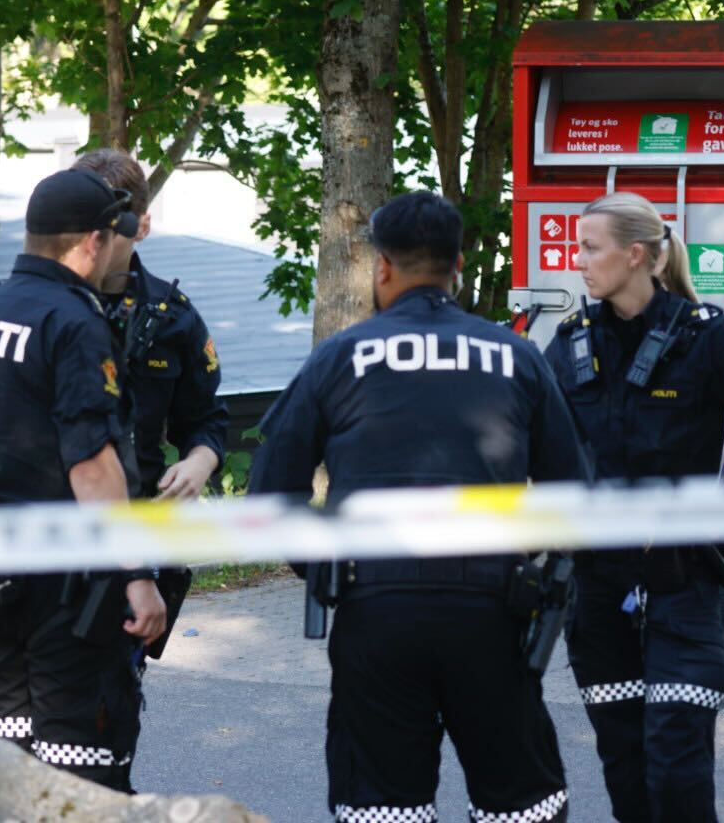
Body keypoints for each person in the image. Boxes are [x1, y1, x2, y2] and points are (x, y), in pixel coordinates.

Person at [248, 191, 586, 823]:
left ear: (382, 266)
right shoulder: (515, 355)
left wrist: (325, 569)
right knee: (522, 808)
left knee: (381, 808)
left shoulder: (338, 357)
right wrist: (531, 562)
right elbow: (572, 490)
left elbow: (270, 495)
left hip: (376, 610)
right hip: (493, 610)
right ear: (458, 265)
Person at [545, 192, 724, 823]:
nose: (578, 260)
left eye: (590, 247)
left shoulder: (706, 336)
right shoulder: (571, 342)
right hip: (599, 589)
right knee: (627, 768)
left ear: (636, 255)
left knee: (676, 764)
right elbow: (539, 449)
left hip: (683, 583)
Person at [0, 168, 166, 792]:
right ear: (93, 242)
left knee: (11, 757)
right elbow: (91, 465)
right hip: (69, 583)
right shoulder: (73, 322)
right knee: (83, 770)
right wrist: (137, 574)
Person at [71, 148, 228, 501]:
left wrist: (199, 462)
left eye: (110, 229)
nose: (93, 243)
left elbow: (205, 417)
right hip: (48, 517)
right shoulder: (36, 307)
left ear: (142, 227)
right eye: (82, 227)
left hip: (137, 510)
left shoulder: (172, 317)